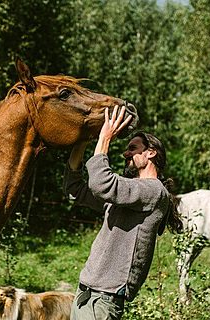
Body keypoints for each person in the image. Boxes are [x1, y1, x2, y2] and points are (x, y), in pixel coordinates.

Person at [64, 105, 181, 320]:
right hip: (85, 292)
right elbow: (76, 189)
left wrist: (105, 137)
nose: (126, 152)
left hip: (104, 299)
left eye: (133, 148)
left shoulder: (154, 192)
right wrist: (81, 143)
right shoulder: (128, 193)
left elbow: (101, 183)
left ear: (151, 153)